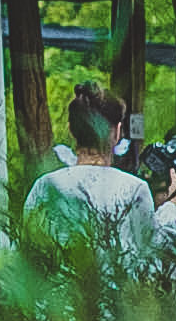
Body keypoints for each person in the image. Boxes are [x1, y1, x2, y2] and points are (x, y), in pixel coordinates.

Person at [23, 84, 157, 257]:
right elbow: (150, 258)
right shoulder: (135, 189)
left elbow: (28, 252)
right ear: (117, 132)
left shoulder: (46, 185)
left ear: (71, 129)